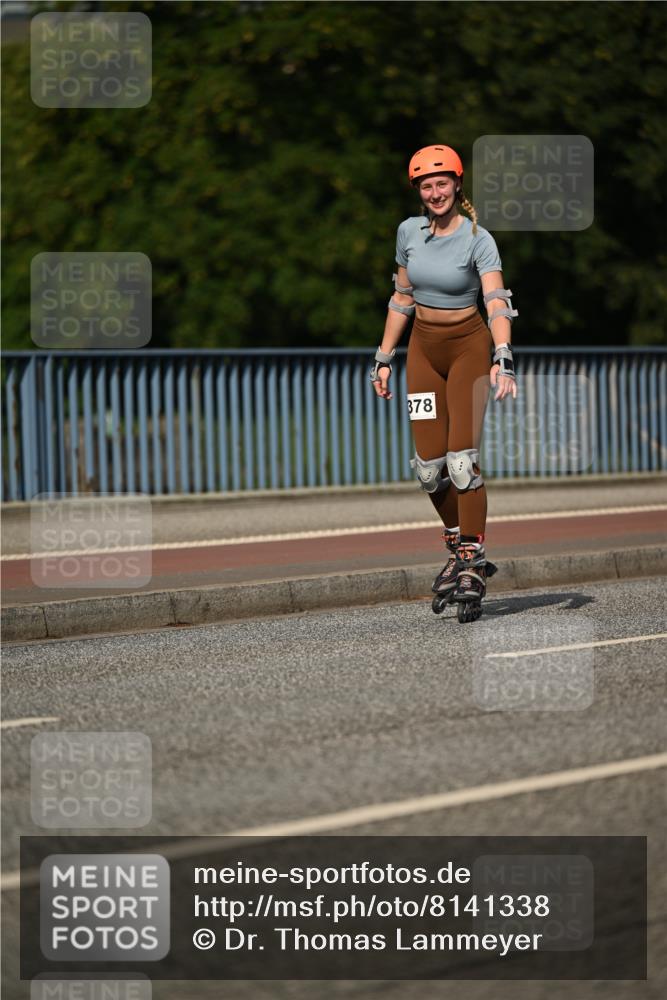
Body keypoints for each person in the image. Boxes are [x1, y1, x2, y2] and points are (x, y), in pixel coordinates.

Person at [370, 144, 518, 622]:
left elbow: (495, 299)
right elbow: (401, 297)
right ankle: (456, 547)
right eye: (426, 186)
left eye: (442, 183)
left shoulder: (479, 238)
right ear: (419, 192)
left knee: (461, 462)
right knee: (429, 468)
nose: (435, 192)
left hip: (469, 351)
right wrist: (384, 358)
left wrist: (502, 356)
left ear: (457, 185)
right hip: (423, 355)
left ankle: (472, 557)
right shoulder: (408, 233)